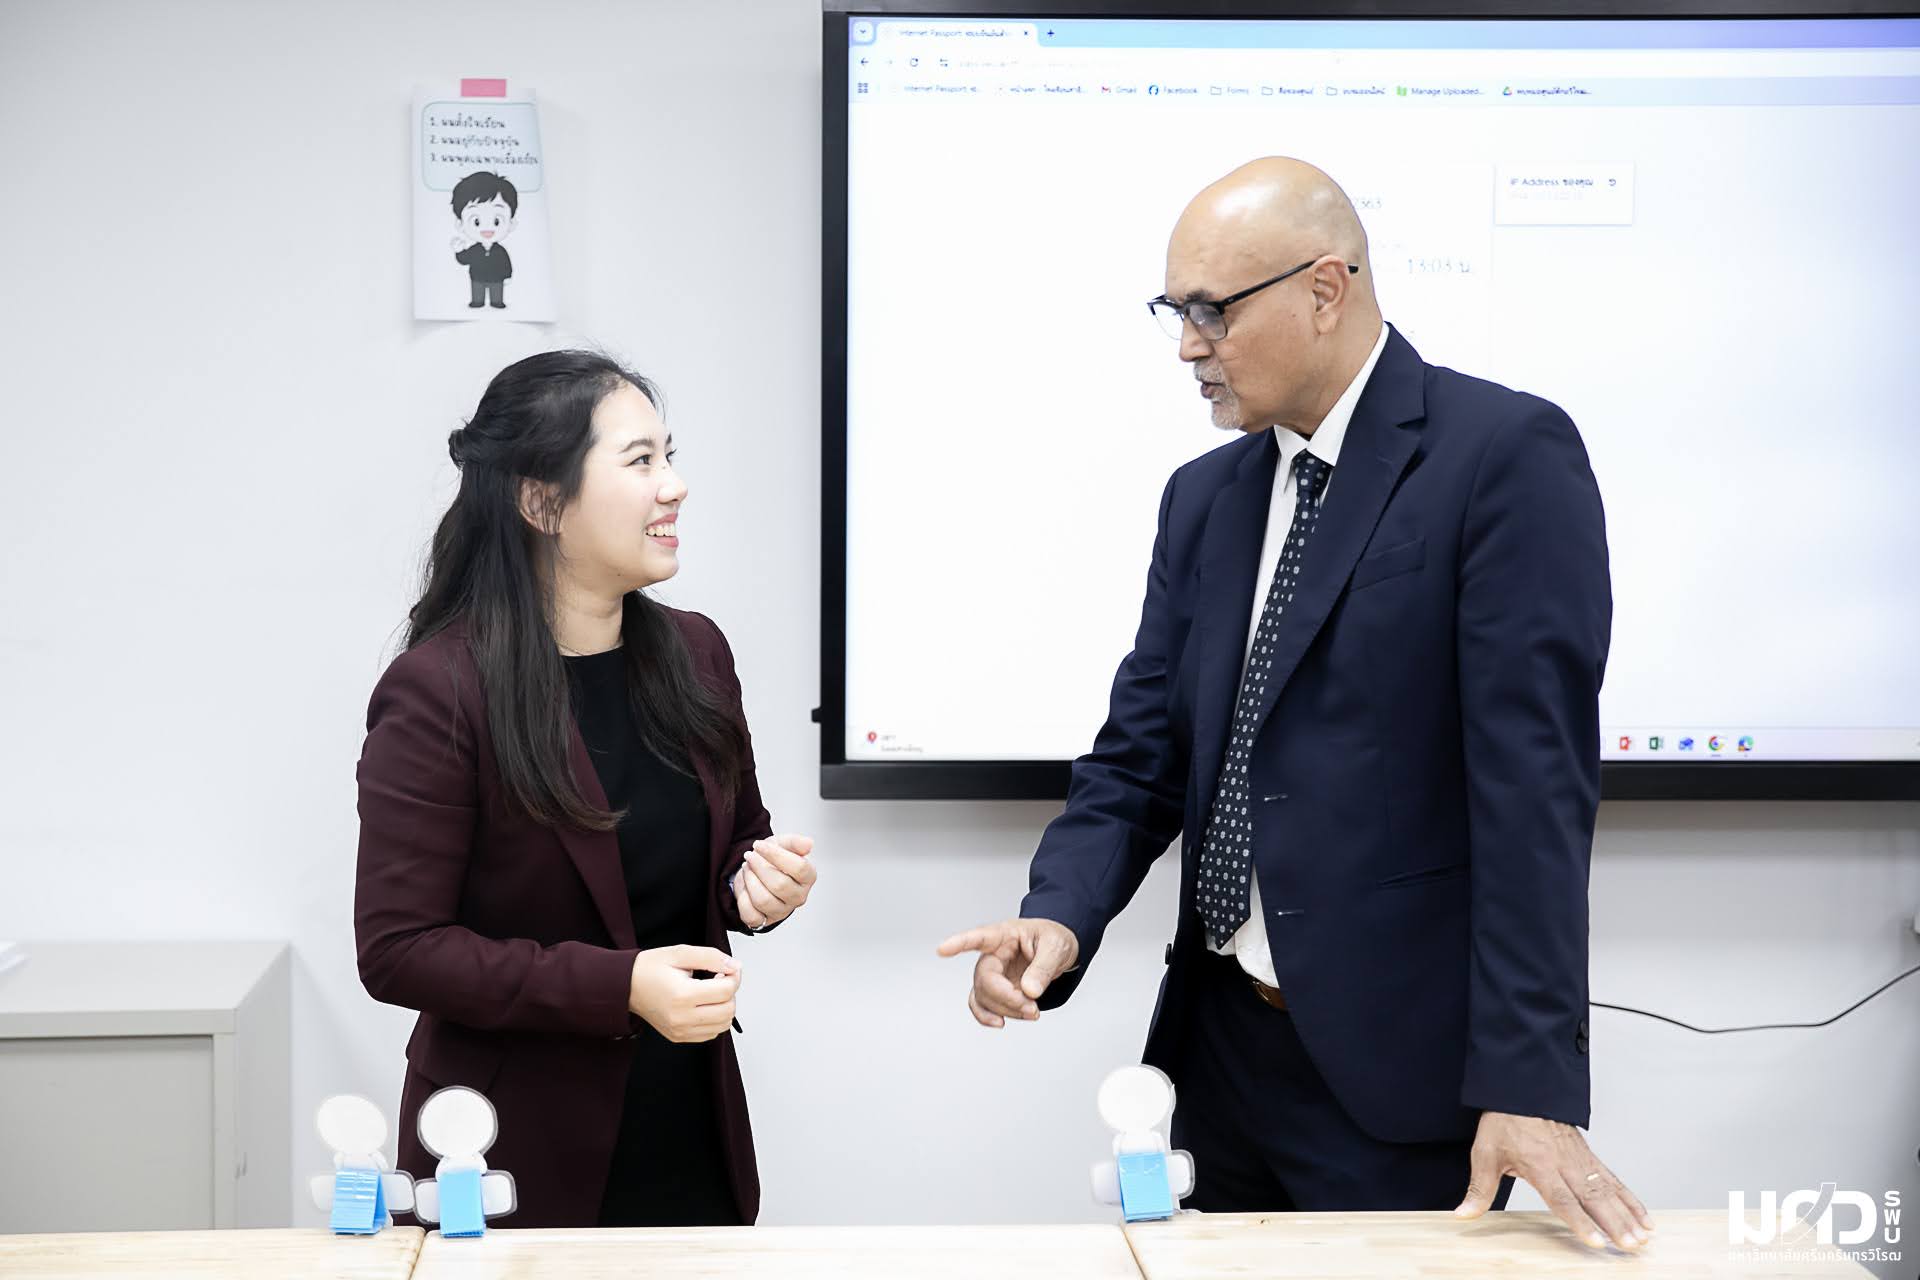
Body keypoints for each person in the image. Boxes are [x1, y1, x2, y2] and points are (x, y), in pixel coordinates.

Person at [939, 158, 1653, 1252]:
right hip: (1217, 1055)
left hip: (1396, 1077)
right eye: (1175, 312)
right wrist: (1060, 912)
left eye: (1211, 311)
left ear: (1325, 289)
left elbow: (1534, 794)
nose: (1188, 346)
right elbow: (1141, 753)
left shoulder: (1499, 455)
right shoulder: (1204, 498)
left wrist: (1529, 1080)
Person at [355, 349, 818, 1227]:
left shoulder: (698, 652)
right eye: (640, 461)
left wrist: (758, 886)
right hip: (510, 1149)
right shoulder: (440, 689)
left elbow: (734, 843)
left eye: (669, 455)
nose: (675, 485)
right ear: (542, 503)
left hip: (688, 1126)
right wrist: (621, 987)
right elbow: (399, 948)